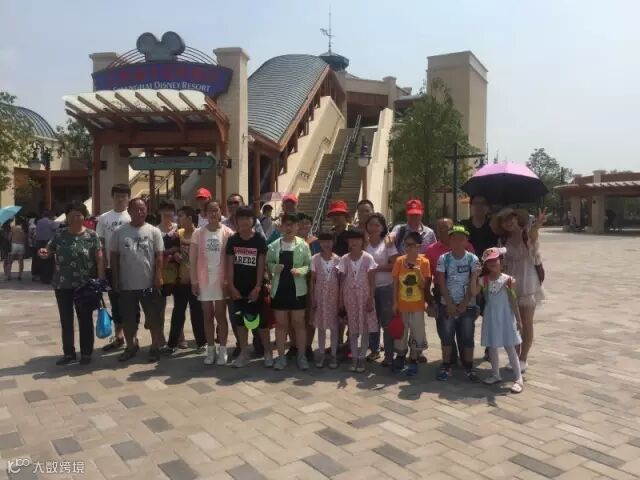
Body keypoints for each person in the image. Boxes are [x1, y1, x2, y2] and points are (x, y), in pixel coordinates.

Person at [38, 202, 103, 365]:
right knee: (66, 320)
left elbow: (99, 258)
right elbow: (48, 250)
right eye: (72, 215)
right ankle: (69, 353)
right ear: (66, 217)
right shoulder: (59, 235)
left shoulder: (91, 235)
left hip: (84, 285)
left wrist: (100, 280)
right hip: (62, 284)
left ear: (84, 217)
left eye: (78, 215)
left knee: (85, 319)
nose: (75, 218)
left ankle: (86, 353)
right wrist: (44, 253)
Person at [492, 208, 546, 373]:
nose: (508, 222)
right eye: (504, 220)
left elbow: (534, 237)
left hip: (528, 282)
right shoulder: (502, 240)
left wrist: (537, 226)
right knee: (513, 323)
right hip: (510, 284)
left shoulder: (526, 235)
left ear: (516, 218)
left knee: (527, 322)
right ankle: (514, 357)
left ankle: (523, 358)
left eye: (511, 218)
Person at [111, 198, 165, 363]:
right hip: (127, 284)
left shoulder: (153, 231)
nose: (140, 212)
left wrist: (158, 276)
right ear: (129, 211)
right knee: (128, 318)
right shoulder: (119, 232)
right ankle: (131, 346)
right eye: (136, 209)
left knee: (153, 317)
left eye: (143, 209)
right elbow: (114, 257)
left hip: (148, 283)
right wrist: (116, 279)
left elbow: (159, 256)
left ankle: (154, 347)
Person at [225, 206, 272, 367]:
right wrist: (231, 286)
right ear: (236, 220)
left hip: (256, 289)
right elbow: (230, 264)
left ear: (253, 220)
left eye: (248, 218)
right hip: (238, 289)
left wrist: (258, 287)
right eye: (241, 218)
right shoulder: (233, 240)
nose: (244, 221)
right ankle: (244, 353)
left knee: (261, 323)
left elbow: (261, 265)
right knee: (240, 322)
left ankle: (267, 352)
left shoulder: (259, 239)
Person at [425, 218, 475, 364]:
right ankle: (449, 361)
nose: (443, 230)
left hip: (465, 294)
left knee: (464, 331)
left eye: (446, 227)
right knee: (445, 330)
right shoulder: (431, 250)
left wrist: (473, 300)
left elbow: (474, 276)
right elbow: (428, 277)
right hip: (442, 292)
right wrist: (429, 301)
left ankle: (466, 362)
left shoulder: (468, 248)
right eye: (439, 228)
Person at [474, 247, 524, 394]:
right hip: (491, 317)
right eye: (488, 261)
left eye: (495, 260)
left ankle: (518, 378)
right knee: (492, 346)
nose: (492, 263)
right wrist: (474, 276)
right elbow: (473, 292)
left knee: (510, 347)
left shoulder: (508, 280)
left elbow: (513, 300)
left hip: (506, 317)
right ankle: (496, 374)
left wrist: (519, 320)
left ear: (500, 262)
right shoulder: (484, 280)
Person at [190, 200, 234, 365]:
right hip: (204, 280)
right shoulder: (198, 233)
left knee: (221, 315)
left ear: (221, 212)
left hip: (221, 280)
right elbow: (193, 260)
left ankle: (223, 350)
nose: (213, 214)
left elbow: (231, 259)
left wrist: (228, 280)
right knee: (207, 315)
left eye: (216, 210)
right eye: (210, 210)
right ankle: (210, 350)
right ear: (205, 213)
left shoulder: (228, 232)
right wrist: (194, 281)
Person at [435, 225, 481, 381]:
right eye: (454, 238)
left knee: (467, 336)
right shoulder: (444, 259)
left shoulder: (472, 259)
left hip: (468, 305)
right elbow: (441, 282)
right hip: (447, 304)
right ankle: (446, 365)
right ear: (450, 240)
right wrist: (449, 303)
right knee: (447, 336)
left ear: (466, 241)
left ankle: (469, 366)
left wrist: (464, 303)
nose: (458, 241)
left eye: (461, 238)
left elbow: (474, 282)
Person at [267, 213, 312, 370]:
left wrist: (301, 270)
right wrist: (274, 267)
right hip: (279, 290)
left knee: (299, 323)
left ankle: (302, 356)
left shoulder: (303, 245)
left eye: (292, 224)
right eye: (286, 224)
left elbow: (309, 265)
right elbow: (268, 263)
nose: (289, 227)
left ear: (297, 227)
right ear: (281, 226)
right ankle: (281, 358)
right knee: (281, 325)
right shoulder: (274, 246)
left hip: (298, 291)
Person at [163, 206, 207, 356]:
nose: (178, 219)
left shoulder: (200, 234)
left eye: (181, 216)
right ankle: (172, 343)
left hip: (196, 281)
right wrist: (174, 253)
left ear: (189, 218)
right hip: (180, 281)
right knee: (178, 313)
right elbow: (168, 246)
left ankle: (201, 342)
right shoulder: (178, 234)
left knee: (197, 313)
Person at [96, 184, 132, 352]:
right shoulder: (104, 218)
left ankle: (132, 337)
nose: (120, 199)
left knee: (130, 303)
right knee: (115, 303)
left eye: (124, 196)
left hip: (130, 268)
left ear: (128, 198)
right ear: (112, 197)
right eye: (117, 196)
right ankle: (119, 336)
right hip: (111, 268)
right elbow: (100, 245)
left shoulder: (132, 217)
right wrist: (102, 269)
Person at [338, 228, 378, 373]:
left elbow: (372, 281)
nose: (354, 242)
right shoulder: (344, 259)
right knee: (353, 329)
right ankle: (354, 357)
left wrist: (371, 299)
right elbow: (342, 281)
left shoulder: (368, 258)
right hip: (350, 298)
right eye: (351, 239)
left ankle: (362, 358)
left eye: (357, 239)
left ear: (362, 241)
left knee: (365, 329)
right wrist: (341, 300)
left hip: (364, 297)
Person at [391, 232, 431, 375]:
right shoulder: (399, 261)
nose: (408, 248)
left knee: (417, 331)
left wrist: (418, 272)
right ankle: (400, 356)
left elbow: (424, 286)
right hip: (402, 305)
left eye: (411, 245)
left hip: (417, 306)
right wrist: (395, 302)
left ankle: (413, 359)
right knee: (401, 332)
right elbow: (395, 283)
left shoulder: (424, 262)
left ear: (418, 246)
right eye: (406, 244)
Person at [365, 213, 398, 366]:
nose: (373, 228)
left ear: (382, 227)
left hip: (385, 287)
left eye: (377, 225)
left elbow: (395, 265)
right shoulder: (364, 243)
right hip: (368, 288)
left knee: (386, 322)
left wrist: (377, 268)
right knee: (372, 321)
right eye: (371, 224)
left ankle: (389, 355)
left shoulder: (387, 243)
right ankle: (374, 350)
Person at [310, 232, 340, 368]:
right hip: (320, 296)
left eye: (329, 241)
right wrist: (312, 298)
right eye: (323, 242)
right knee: (321, 326)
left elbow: (341, 280)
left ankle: (333, 354)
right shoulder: (315, 259)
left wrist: (341, 299)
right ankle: (321, 353)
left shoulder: (338, 259)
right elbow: (312, 280)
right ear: (320, 243)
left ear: (333, 242)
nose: (327, 244)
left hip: (334, 297)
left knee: (334, 327)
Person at [34, 210, 58, 283]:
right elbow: (57, 228)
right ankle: (48, 278)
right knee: (49, 261)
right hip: (48, 243)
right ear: (50, 216)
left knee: (41, 260)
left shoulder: (38, 222)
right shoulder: (51, 222)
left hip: (39, 242)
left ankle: (42, 277)